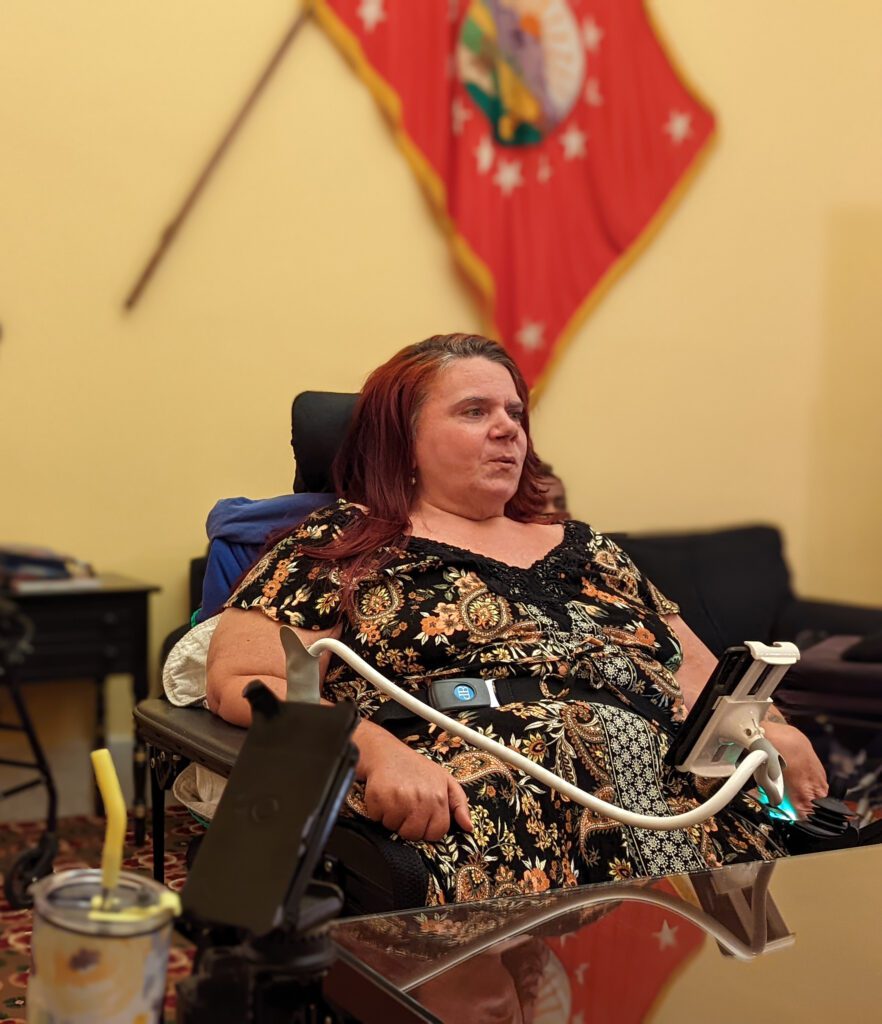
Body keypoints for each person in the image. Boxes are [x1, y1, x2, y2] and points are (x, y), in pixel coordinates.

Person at [206, 333, 827, 904]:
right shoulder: (346, 542)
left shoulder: (589, 547)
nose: (508, 429)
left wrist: (769, 729)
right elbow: (241, 679)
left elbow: (698, 674)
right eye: (475, 412)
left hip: (681, 812)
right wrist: (374, 750)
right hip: (491, 825)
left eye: (514, 413)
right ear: (404, 439)